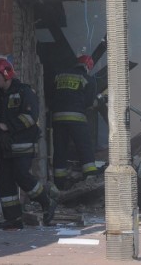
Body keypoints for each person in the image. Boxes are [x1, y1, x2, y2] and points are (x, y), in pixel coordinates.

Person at [0, 58, 56, 230]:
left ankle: (47, 201)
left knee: (21, 176)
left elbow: (31, 117)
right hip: (4, 148)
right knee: (4, 180)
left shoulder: (24, 92)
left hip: (22, 146)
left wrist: (7, 125)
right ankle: (13, 218)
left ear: (6, 74)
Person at [51, 54, 100, 190]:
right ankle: (91, 176)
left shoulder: (59, 76)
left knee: (60, 149)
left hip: (58, 118)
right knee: (84, 146)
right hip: (76, 118)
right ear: (88, 67)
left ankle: (59, 182)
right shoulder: (87, 79)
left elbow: (52, 94)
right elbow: (89, 103)